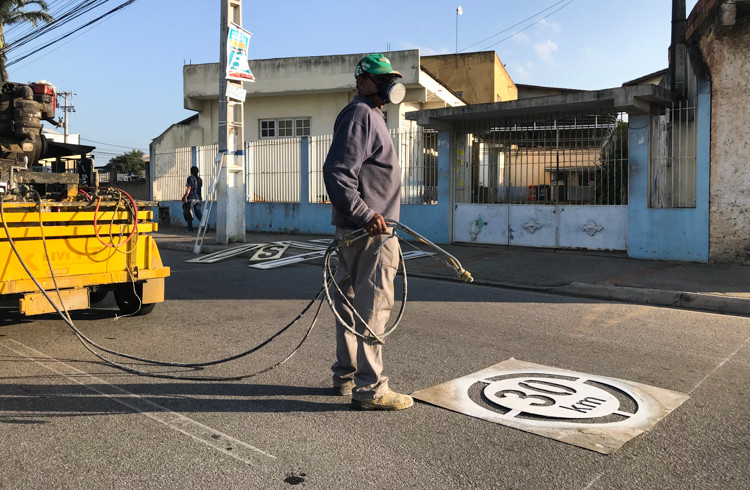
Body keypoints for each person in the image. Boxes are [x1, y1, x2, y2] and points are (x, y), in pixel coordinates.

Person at [322, 54, 412, 411]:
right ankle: (370, 389)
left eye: (390, 78)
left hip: (359, 231)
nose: (390, 84)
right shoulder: (361, 113)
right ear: (362, 82)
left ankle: (346, 377)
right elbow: (337, 172)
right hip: (370, 233)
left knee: (349, 308)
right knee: (372, 308)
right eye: (382, 78)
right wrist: (365, 214)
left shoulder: (371, 115)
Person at [182, 166, 203, 233]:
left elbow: (189, 188)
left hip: (191, 198)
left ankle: (190, 229)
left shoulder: (190, 178)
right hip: (198, 198)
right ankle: (205, 225)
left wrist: (185, 197)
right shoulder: (200, 179)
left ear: (191, 171)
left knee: (188, 213)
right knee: (198, 213)